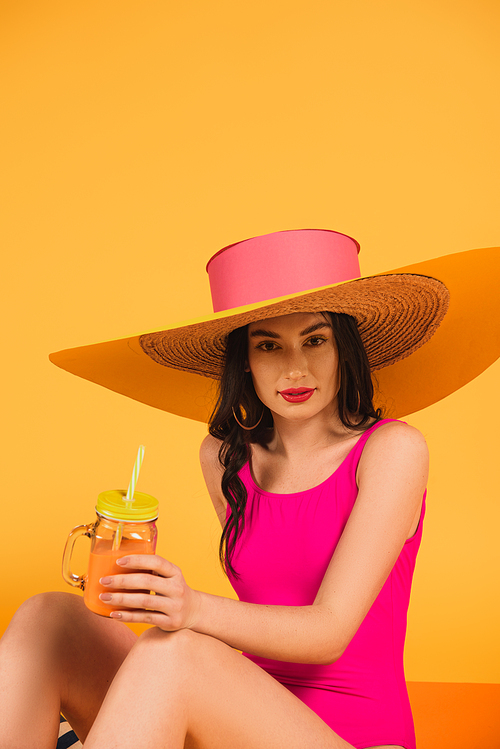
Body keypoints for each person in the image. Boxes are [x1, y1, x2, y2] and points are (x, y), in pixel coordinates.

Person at [1, 229, 498, 749]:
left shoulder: (392, 450)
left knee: (175, 652)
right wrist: (154, 602)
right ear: (244, 360)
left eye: (315, 339)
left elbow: (329, 632)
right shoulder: (223, 458)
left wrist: (189, 610)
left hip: (351, 736)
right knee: (49, 617)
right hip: (239, 721)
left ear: (343, 347)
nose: (295, 368)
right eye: (268, 345)